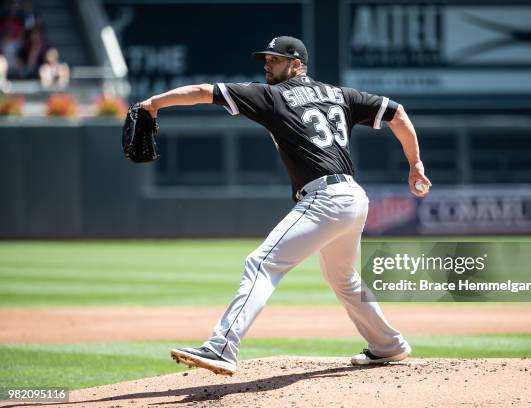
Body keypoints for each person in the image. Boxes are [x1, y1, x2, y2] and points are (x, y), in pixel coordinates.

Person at [140, 36, 431, 376]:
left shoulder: (272, 96)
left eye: (275, 60)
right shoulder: (341, 94)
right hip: (353, 198)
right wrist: (415, 163)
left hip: (325, 198)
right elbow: (397, 113)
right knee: (343, 277)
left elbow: (205, 92)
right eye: (266, 58)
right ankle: (388, 345)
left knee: (261, 263)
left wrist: (154, 103)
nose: (267, 64)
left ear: (296, 65)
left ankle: (221, 346)